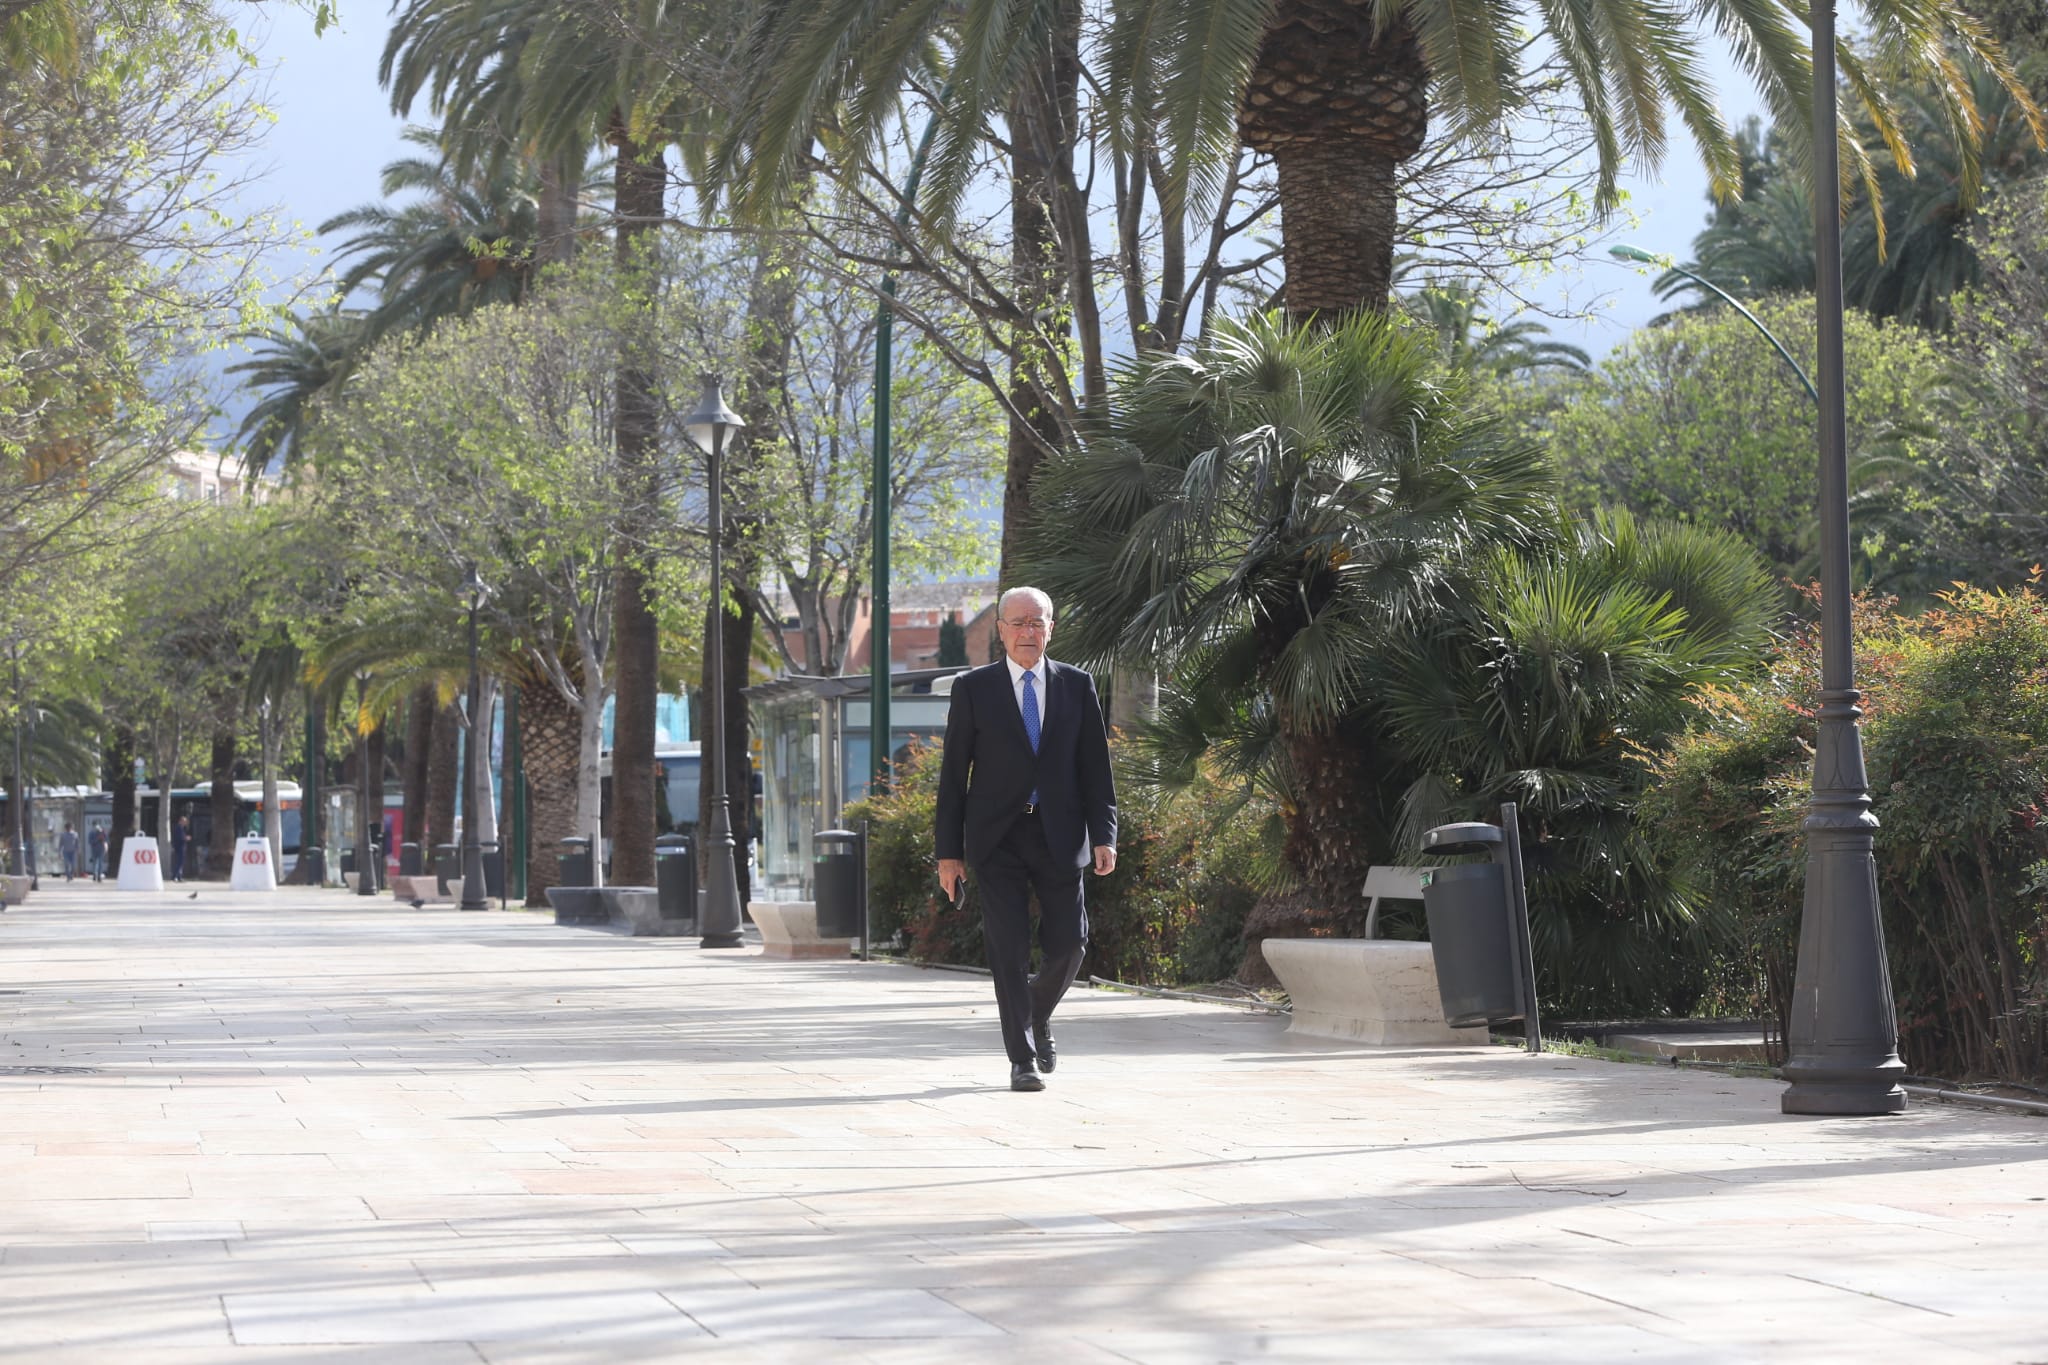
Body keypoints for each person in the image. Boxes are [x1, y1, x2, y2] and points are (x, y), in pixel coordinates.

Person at [935, 586, 1117, 1092]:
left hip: (1061, 832)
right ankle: (1022, 1059)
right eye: (1017, 623)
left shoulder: (1077, 686)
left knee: (1070, 942)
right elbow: (952, 777)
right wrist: (948, 853)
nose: (1028, 632)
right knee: (1008, 948)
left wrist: (1105, 834)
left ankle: (1035, 1013)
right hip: (998, 838)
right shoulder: (974, 689)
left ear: (1051, 628)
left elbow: (1095, 771)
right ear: (1000, 631)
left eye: (1037, 623)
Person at [170, 814, 190, 882]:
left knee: (180, 863)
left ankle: (179, 876)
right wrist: (186, 838)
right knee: (179, 862)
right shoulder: (178, 828)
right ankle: (175, 876)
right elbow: (179, 838)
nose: (185, 823)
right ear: (180, 821)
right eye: (184, 821)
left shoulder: (181, 828)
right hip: (179, 848)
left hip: (181, 847)